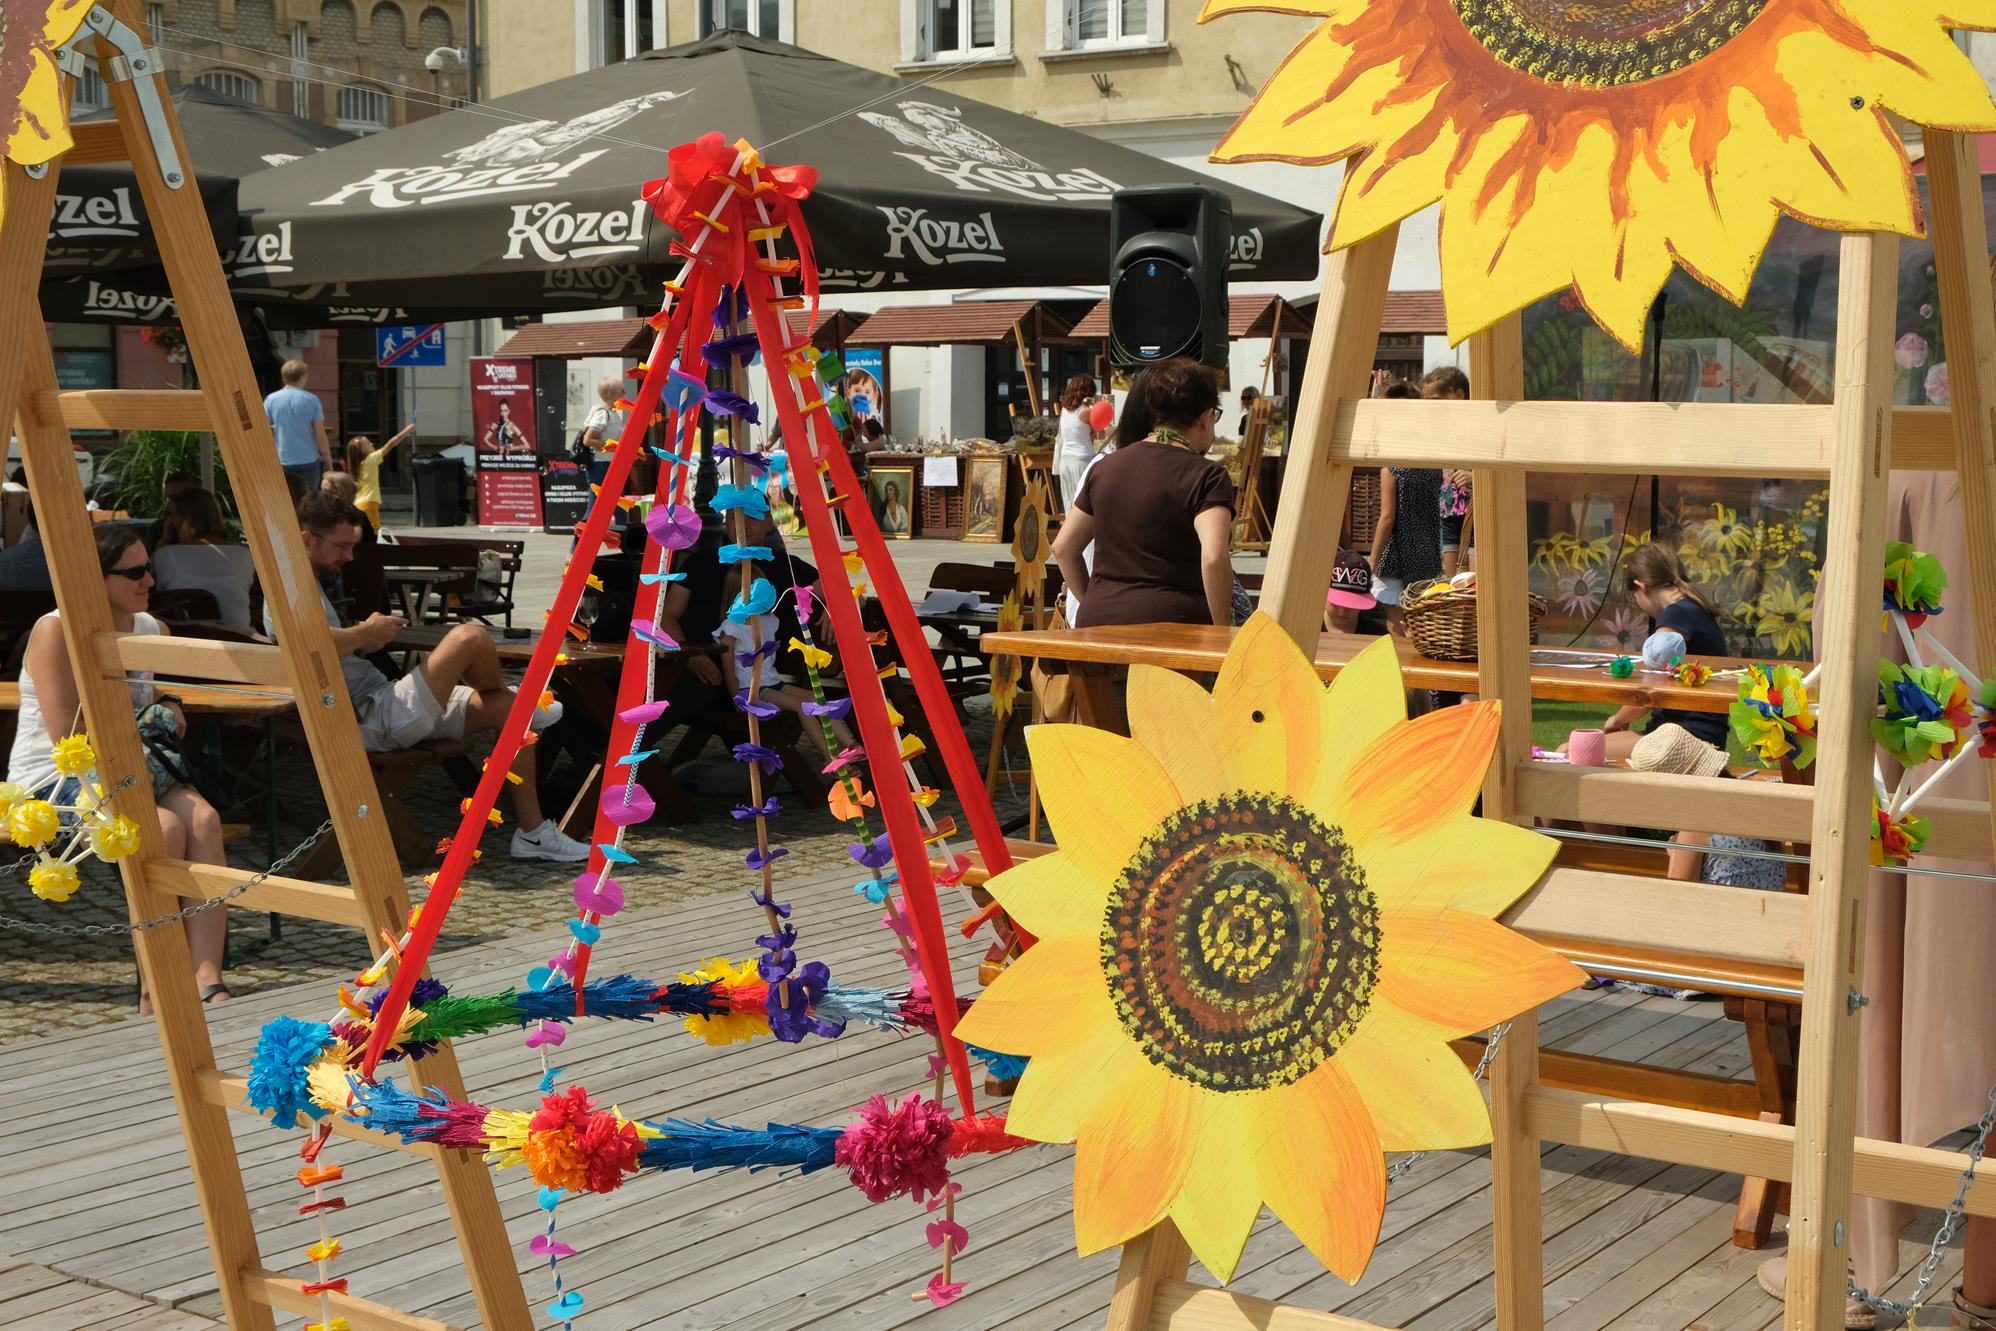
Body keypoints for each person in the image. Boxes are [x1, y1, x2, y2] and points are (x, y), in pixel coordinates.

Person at [1757, 471, 1996, 1331]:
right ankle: (1982, 1280)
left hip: (1925, 783)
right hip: (1945, 772)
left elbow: (1841, 661)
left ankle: (1864, 1256)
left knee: (1880, 968)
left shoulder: (1908, 469)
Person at [271, 493, 589, 861]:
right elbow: (304, 644)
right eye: (342, 546)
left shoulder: (305, 582)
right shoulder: (286, 587)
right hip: (365, 717)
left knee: (509, 708)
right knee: (468, 638)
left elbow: (323, 643)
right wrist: (365, 632)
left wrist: (362, 639)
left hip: (378, 701)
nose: (350, 556)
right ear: (307, 540)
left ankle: (533, 834)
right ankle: (521, 700)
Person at [12, 526, 230, 1009]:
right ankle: (158, 988)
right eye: (134, 572)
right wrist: (151, 714)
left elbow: (153, 694)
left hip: (138, 767)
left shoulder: (151, 629)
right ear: (94, 578)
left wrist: (168, 701)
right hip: (58, 779)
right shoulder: (55, 630)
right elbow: (69, 737)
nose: (149, 580)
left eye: (149, 568)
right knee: (163, 830)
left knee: (204, 820)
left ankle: (207, 978)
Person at [1053, 357, 1233, 630]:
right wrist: (1222, 632)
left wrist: (1091, 601)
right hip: (1174, 626)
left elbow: (1063, 547)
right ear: (1206, 417)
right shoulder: (1207, 475)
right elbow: (1214, 558)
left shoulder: (1103, 467)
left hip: (1099, 624)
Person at [1582, 542, 1730, 761]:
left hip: (1684, 739)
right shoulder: (1693, 608)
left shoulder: (1676, 615)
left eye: (1634, 597)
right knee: (1583, 748)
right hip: (1693, 734)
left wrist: (1616, 720)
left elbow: (1648, 689)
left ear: (1641, 586)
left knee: (1572, 751)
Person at [714, 568, 853, 764]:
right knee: (802, 706)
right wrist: (737, 700)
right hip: (751, 690)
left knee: (816, 698)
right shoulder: (731, 628)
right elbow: (728, 670)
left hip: (773, 682)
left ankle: (851, 745)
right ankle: (830, 757)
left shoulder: (769, 621)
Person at [1367, 382, 1444, 635]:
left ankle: (1401, 658)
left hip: (1396, 554)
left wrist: (1373, 559)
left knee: (1396, 623)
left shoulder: (1392, 469)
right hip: (1426, 553)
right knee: (1418, 620)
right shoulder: (1432, 465)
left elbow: (1387, 517)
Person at [152, 487, 256, 631]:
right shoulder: (245, 554)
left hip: (185, 638)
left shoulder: (164, 554)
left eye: (172, 515)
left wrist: (163, 540)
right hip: (238, 637)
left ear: (180, 520)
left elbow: (153, 591)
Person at [1421, 367, 1474, 576]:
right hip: (1449, 511)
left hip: (1476, 510)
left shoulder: (1476, 424)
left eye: (1436, 400)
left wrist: (1474, 477)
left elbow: (1498, 470)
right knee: (1454, 581)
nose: (1432, 408)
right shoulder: (1439, 428)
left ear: (1459, 395)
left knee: (1477, 580)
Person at [264, 359, 330, 493]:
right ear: (302, 377)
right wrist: (327, 458)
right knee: (309, 500)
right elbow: (320, 433)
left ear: (284, 378)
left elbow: (262, 428)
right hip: (308, 459)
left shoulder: (271, 399)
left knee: (285, 499)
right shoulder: (312, 400)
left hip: (283, 459)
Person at [345, 424, 414, 531]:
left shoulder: (355, 466)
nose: (371, 443)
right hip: (369, 504)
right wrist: (406, 431)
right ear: (361, 450)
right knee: (374, 532)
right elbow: (391, 444)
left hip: (358, 503)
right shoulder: (371, 459)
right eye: (367, 443)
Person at [1056, 373, 1098, 511]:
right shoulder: (1086, 412)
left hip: (1065, 460)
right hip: (1083, 459)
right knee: (1084, 503)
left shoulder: (1064, 410)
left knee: (1069, 502)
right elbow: (1099, 433)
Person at [1323, 547, 1378, 634]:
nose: (1342, 611)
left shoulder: (1377, 634)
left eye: (1351, 604)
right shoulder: (1304, 627)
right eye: (1335, 603)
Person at [320, 472, 379, 544]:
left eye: (326, 492)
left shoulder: (355, 517)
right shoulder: (321, 513)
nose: (320, 495)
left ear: (341, 494)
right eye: (321, 490)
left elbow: (346, 540)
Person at [580, 376, 627, 453]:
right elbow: (587, 440)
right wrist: (613, 447)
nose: (624, 394)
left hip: (611, 458)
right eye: (622, 391)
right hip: (602, 459)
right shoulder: (603, 414)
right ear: (611, 394)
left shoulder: (613, 413)